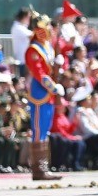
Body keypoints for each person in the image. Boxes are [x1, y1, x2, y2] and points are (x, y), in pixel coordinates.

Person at [24, 12, 65, 180]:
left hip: (48, 94)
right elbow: (39, 73)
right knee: (38, 130)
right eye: (46, 26)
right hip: (40, 93)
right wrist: (54, 87)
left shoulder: (46, 46)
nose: (49, 29)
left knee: (45, 131)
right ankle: (38, 170)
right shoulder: (33, 49)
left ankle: (44, 167)